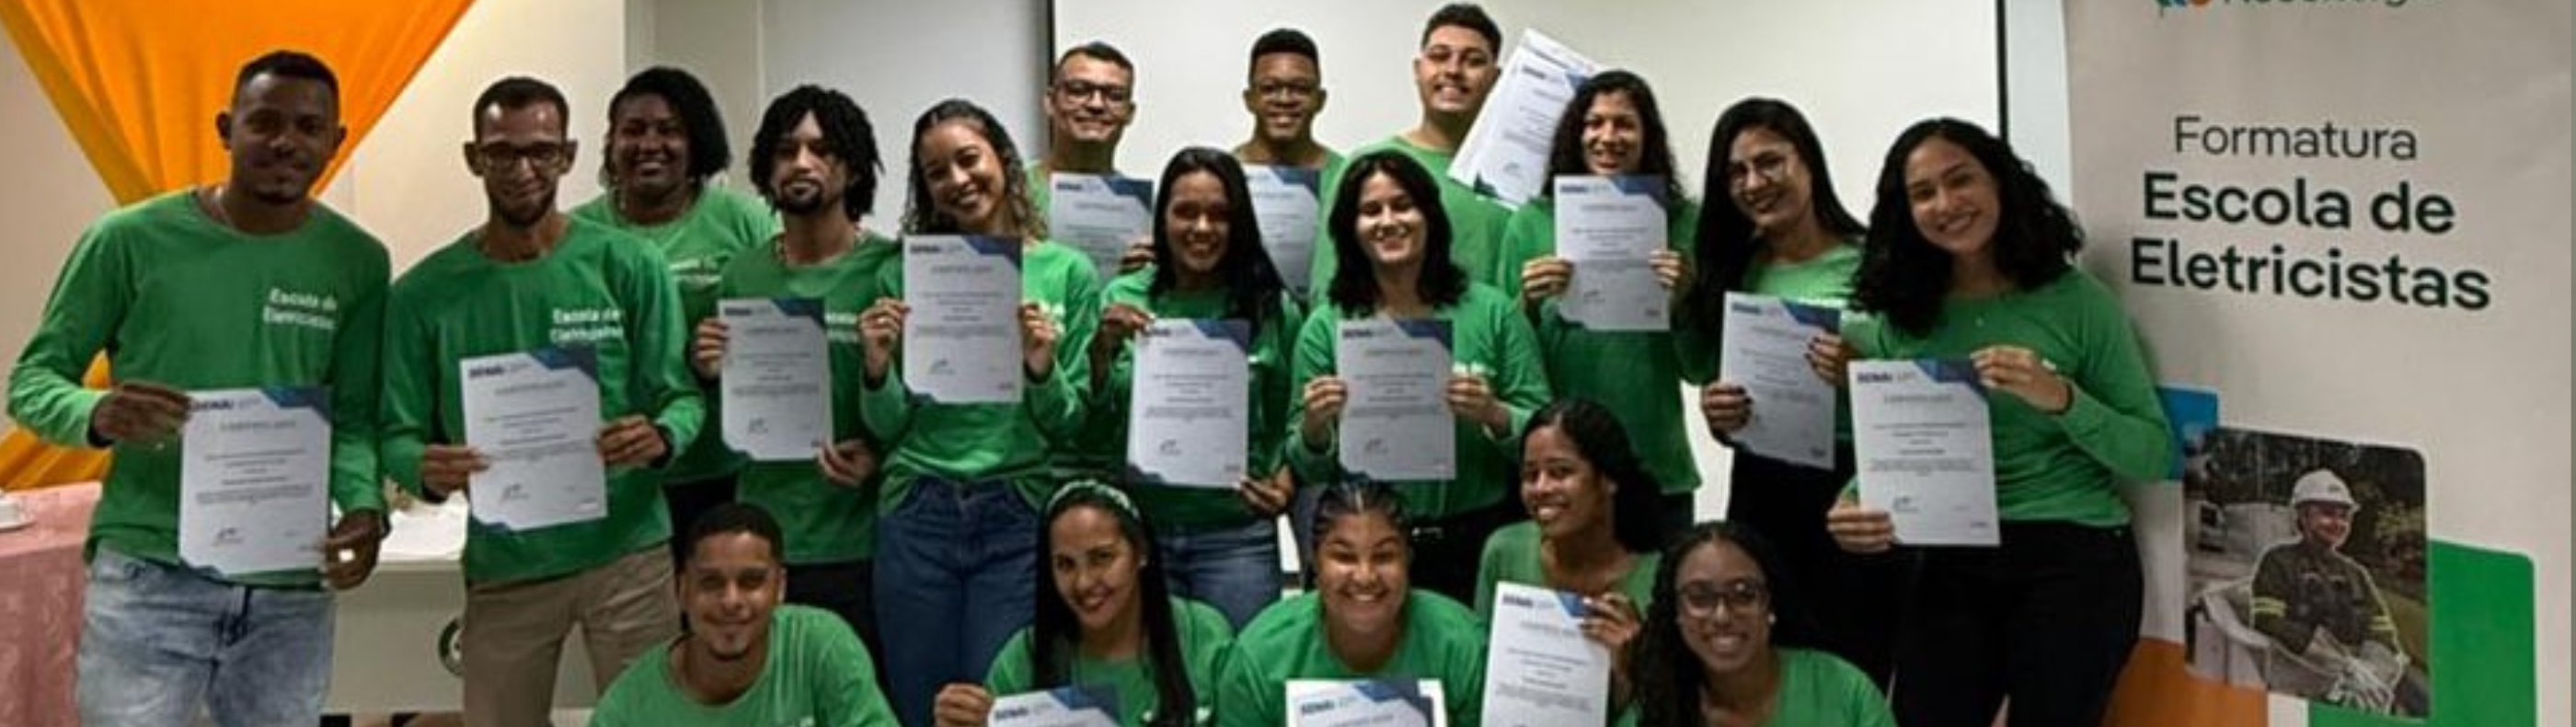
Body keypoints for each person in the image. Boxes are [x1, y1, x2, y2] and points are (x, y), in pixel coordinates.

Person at [6, 50, 390, 727]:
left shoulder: (358, 261)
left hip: (288, 583)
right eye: (265, 122)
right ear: (225, 128)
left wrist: (363, 506)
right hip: (152, 572)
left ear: (335, 140)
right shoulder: (128, 241)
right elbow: (32, 381)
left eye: (308, 127)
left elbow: (354, 416)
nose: (286, 142)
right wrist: (98, 412)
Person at [1825, 118, 2172, 727]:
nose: (1945, 204)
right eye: (1923, 193)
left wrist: (2060, 397)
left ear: (2001, 183)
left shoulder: (2078, 301)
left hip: (2072, 555)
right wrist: (1855, 504)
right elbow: (1902, 441)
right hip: (1951, 557)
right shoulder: (1902, 316)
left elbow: (2153, 454)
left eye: (1961, 180)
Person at [380, 76, 700, 726]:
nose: (522, 169)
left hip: (628, 551)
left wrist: (662, 435)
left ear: (569, 155)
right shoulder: (422, 294)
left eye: (541, 151)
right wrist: (423, 468)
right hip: (509, 563)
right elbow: (395, 431)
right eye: (501, 152)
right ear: (474, 157)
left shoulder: (629, 265)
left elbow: (683, 397)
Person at [859, 98, 1103, 727]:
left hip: (1017, 511)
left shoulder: (1067, 272)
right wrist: (877, 369)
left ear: (1004, 159)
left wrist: (1041, 368)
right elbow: (887, 427)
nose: (958, 180)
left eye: (969, 159)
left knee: (1001, 710)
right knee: (921, 708)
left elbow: (1069, 423)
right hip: (918, 508)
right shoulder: (903, 275)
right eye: (937, 172)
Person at [1678, 98, 1894, 684]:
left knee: (1855, 665)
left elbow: (1918, 384)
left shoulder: (1877, 263)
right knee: (1759, 662)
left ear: (1808, 162)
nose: (1754, 183)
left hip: (1856, 486)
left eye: (1769, 162)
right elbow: (1715, 387)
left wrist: (1860, 372)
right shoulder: (1735, 270)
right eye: (1736, 172)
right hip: (1764, 486)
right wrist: (1720, 412)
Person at [1288, 151, 1550, 605]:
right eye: (1371, 210)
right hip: (1367, 546)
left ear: (1430, 215)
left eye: (1403, 205)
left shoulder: (1492, 312)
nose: (1388, 221)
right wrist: (1315, 426)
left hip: (1475, 539)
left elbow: (1545, 432)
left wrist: (1493, 413)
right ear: (1350, 229)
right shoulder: (1327, 325)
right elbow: (1304, 464)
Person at [693, 85, 894, 645]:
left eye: (822, 150)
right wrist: (708, 371)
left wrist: (879, 459)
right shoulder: (742, 274)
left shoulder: (887, 269)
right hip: (764, 536)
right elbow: (727, 409)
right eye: (786, 151)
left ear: (853, 168)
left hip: (860, 539)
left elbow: (920, 410)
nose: (802, 163)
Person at [1079, 148, 1303, 629]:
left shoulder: (1271, 307)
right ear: (1162, 218)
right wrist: (1100, 353)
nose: (1202, 227)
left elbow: (1292, 414)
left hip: (1237, 537)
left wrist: (1284, 482)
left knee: (1237, 669)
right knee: (1153, 672)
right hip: (1141, 535)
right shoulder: (1123, 297)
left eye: (1219, 214)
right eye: (1185, 212)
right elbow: (1093, 430)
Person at [573, 67, 780, 567]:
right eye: (633, 130)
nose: (650, 144)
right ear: (610, 143)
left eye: (669, 130)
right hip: (619, 477)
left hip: (723, 468)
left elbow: (784, 321)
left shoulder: (745, 220)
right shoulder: (578, 231)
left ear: (696, 142)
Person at [1495, 70, 1701, 538]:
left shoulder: (1683, 223)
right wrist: (1528, 302)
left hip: (1654, 462)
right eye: (1594, 123)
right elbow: (1509, 364)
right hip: (1558, 467)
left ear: (1648, 136)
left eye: (1624, 124)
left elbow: (1700, 368)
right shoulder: (1531, 222)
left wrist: (1683, 300)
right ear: (1575, 133)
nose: (1608, 137)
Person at [933, 482, 1235, 727]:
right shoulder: (1024, 658)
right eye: (1065, 565)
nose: (1083, 583)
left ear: (1141, 552)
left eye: (1102, 558)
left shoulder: (1203, 634)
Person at [592, 503, 900, 726]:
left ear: (780, 587)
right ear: (682, 591)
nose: (731, 601)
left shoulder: (822, 648)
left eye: (751, 582)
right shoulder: (627, 709)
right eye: (711, 583)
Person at [1217, 482, 1487, 727]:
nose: (1365, 576)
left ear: (1408, 560)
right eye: (1345, 557)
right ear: (1316, 564)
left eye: (1384, 556)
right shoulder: (1259, 657)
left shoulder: (1463, 644)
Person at [1305, 3, 1514, 294]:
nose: (1453, 70)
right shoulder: (1369, 165)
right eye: (1439, 56)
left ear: (1496, 79)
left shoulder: (1517, 177)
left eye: (1473, 61)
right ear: (1418, 70)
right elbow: (1329, 289)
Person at [1473, 398, 1660, 720]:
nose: (1541, 488)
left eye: (1561, 472)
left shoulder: (1659, 576)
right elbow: (1483, 682)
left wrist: (1631, 674)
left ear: (1608, 479)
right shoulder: (1504, 551)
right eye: (1530, 475)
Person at [1631, 522, 1892, 727]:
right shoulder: (1655, 703)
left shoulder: (1843, 688)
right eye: (1700, 598)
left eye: (1744, 594)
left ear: (1770, 604)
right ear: (1676, 612)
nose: (1722, 616)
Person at [2250, 469, 2405, 707]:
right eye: (2327, 514)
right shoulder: (2278, 561)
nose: (2338, 523)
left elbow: (2382, 632)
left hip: (2353, 689)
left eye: (2344, 516)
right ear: (2303, 515)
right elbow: (2268, 621)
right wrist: (2340, 664)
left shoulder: (2356, 573)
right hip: (2295, 685)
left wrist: (2369, 673)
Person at [1029, 41, 1155, 277]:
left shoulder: (1146, 211)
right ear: (1050, 102)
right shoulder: (1008, 192)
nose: (1096, 104)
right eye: (1078, 91)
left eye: (1114, 96)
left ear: (1130, 113)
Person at [1232, 28, 1341, 173]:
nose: (1285, 100)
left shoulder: (1348, 177)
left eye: (1301, 88)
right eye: (1269, 88)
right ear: (1249, 99)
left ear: (1320, 100)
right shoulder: (1221, 175)